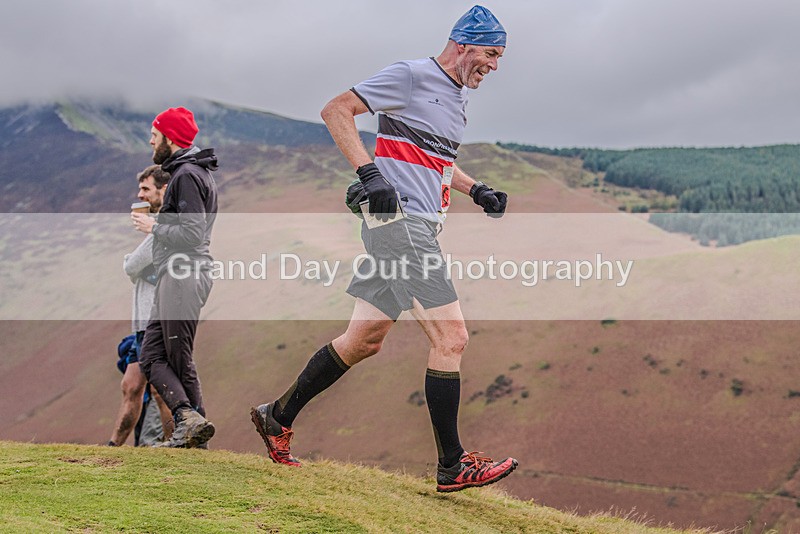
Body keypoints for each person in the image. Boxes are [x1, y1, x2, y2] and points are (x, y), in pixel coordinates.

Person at [251, 5, 517, 492]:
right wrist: (368, 173)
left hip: (415, 226)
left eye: (500, 57)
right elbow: (336, 109)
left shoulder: (456, 98)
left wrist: (476, 189)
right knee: (451, 337)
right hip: (400, 226)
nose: (494, 66)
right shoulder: (412, 75)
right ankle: (452, 465)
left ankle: (276, 416)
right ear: (462, 45)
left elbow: (433, 160)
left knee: (363, 341)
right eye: (490, 54)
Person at [133, 106, 219, 449]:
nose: (151, 142)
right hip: (176, 274)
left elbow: (192, 234)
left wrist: (154, 226)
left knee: (178, 355)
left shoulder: (185, 175)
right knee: (152, 356)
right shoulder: (192, 172)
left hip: (184, 272)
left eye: (155, 136)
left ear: (169, 137)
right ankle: (188, 420)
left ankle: (195, 436)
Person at [108, 165, 174, 447]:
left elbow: (132, 265)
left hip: (155, 321)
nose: (140, 195)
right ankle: (113, 448)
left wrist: (132, 263)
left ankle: (179, 445)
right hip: (142, 323)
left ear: (163, 190)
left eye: (146, 189)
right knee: (132, 385)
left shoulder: (165, 229)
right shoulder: (156, 230)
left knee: (160, 390)